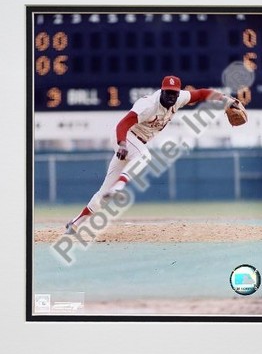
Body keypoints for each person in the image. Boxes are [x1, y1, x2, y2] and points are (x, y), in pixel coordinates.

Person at [65, 75, 237, 235]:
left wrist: (224, 99)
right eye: (167, 92)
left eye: (174, 93)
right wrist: (122, 144)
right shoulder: (148, 105)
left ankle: (75, 223)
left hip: (136, 143)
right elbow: (123, 124)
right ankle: (119, 187)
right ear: (161, 91)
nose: (171, 96)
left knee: (103, 193)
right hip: (126, 137)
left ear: (178, 94)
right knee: (144, 157)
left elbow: (200, 94)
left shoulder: (180, 98)